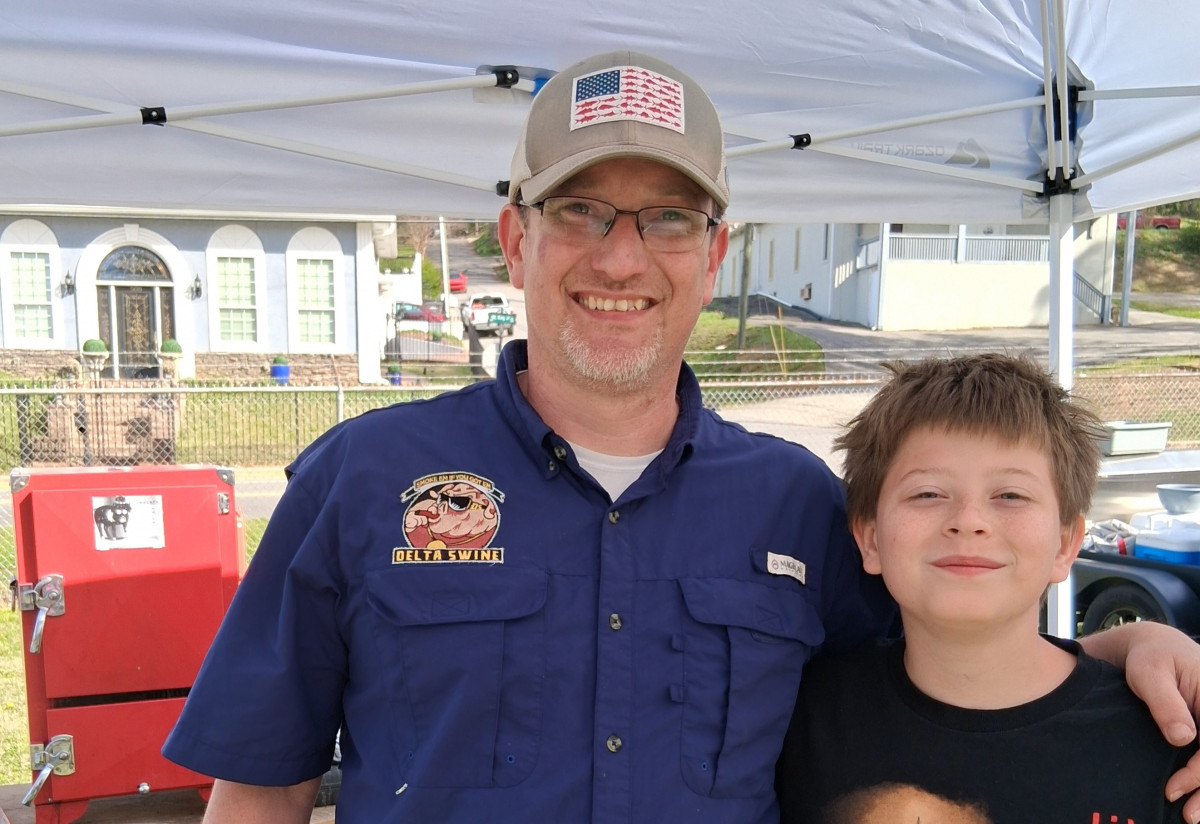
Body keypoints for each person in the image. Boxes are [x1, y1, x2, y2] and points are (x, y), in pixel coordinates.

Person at [162, 51, 1200, 824]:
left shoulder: (795, 502)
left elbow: (957, 657)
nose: (622, 259)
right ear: (516, 237)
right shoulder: (362, 479)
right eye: (582, 210)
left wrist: (1126, 648)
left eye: (666, 218)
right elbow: (261, 786)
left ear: (714, 254)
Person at [776, 354, 1198, 823]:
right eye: (927, 494)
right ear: (870, 539)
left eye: (1010, 495)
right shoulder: (795, 721)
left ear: (1065, 544)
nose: (968, 521)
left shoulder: (1171, 734)